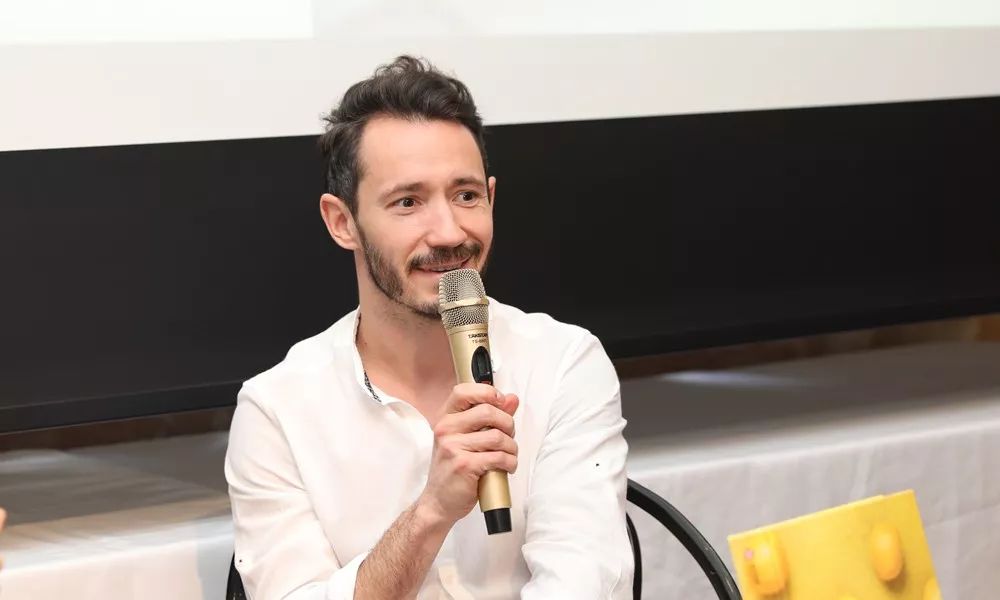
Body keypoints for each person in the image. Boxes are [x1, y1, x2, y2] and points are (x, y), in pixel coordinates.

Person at [225, 55, 633, 599]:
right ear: (342, 222)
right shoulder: (277, 409)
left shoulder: (563, 363)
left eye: (466, 196)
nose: (449, 232)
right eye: (408, 202)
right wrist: (431, 513)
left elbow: (583, 584)